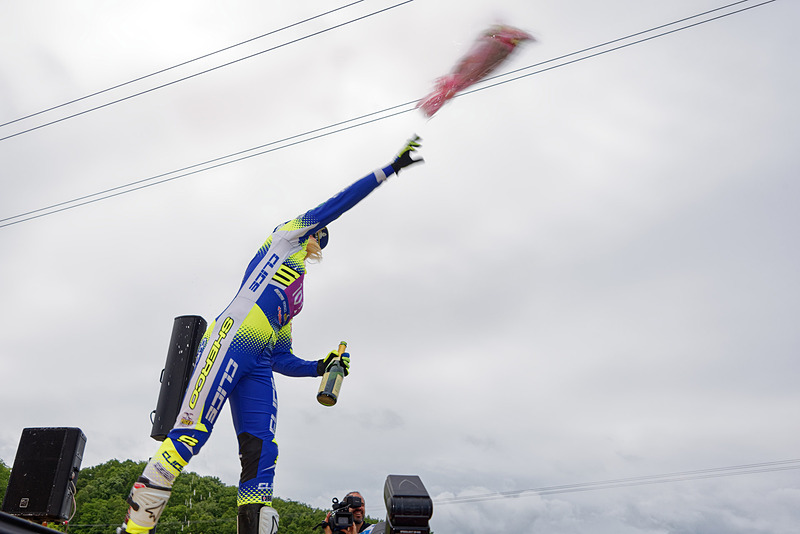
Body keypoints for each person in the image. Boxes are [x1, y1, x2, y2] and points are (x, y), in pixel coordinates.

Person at [118, 135, 424, 534]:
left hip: (259, 362)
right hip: (231, 337)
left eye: (321, 238)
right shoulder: (284, 238)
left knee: (262, 452)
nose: (319, 238)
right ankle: (136, 528)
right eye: (318, 232)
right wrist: (388, 170)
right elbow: (337, 204)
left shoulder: (295, 292)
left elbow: (281, 357)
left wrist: (322, 366)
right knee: (191, 435)